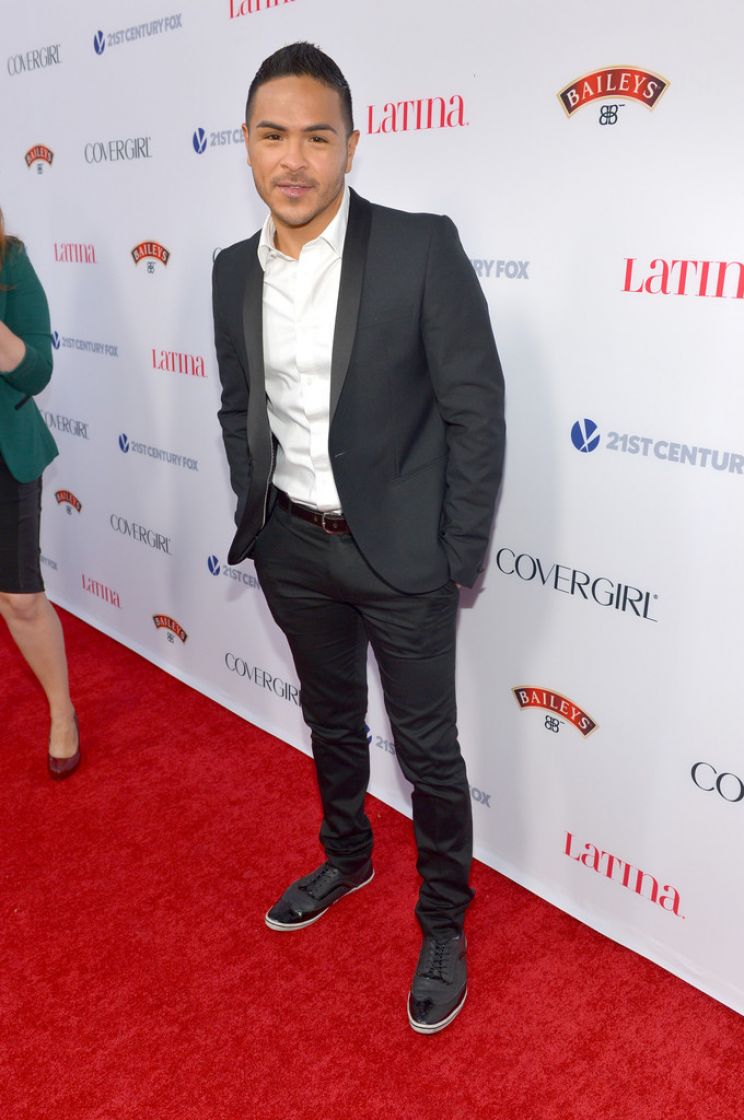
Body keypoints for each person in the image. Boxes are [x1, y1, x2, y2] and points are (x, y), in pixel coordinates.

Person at [212, 42, 505, 1034]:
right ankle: (346, 856)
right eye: (273, 136)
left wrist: (456, 554)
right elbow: (239, 403)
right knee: (331, 719)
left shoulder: (420, 248)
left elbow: (476, 408)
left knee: (428, 752)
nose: (292, 159)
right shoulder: (231, 269)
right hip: (290, 546)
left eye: (316, 137)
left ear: (350, 145)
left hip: (403, 557)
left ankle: (444, 920)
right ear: (246, 144)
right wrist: (256, 505)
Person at [0, 210, 80, 779]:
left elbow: (36, 371)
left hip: (5, 453)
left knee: (21, 599)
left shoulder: (9, 260)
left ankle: (61, 711)